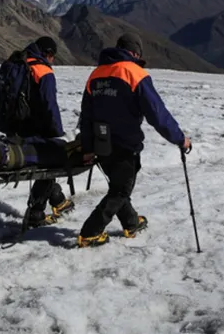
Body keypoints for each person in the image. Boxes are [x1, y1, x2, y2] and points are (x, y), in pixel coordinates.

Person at [77, 33, 192, 248]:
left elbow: (86, 115)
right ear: (135, 53)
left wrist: (88, 147)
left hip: (102, 143)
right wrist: (180, 139)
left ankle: (131, 223)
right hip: (125, 143)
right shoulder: (134, 73)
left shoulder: (96, 74)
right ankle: (90, 232)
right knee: (120, 190)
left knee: (118, 185)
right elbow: (157, 113)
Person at [4, 37, 75, 228]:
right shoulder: (42, 71)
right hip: (33, 131)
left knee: (47, 158)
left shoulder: (17, 63)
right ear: (47, 53)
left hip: (13, 128)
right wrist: (57, 131)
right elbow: (50, 105)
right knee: (53, 157)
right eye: (52, 56)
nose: (52, 60)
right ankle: (35, 213)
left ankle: (58, 200)